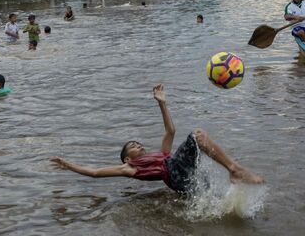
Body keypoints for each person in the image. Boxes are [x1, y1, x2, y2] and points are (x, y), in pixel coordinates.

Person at [50, 83, 264, 193]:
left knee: (211, 197)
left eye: (138, 142)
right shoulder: (129, 169)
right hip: (176, 176)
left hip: (184, 179)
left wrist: (161, 102)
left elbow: (170, 131)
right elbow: (95, 173)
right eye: (133, 146)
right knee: (197, 135)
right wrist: (68, 165)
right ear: (127, 158)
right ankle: (234, 169)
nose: (138, 144)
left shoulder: (161, 154)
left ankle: (236, 194)